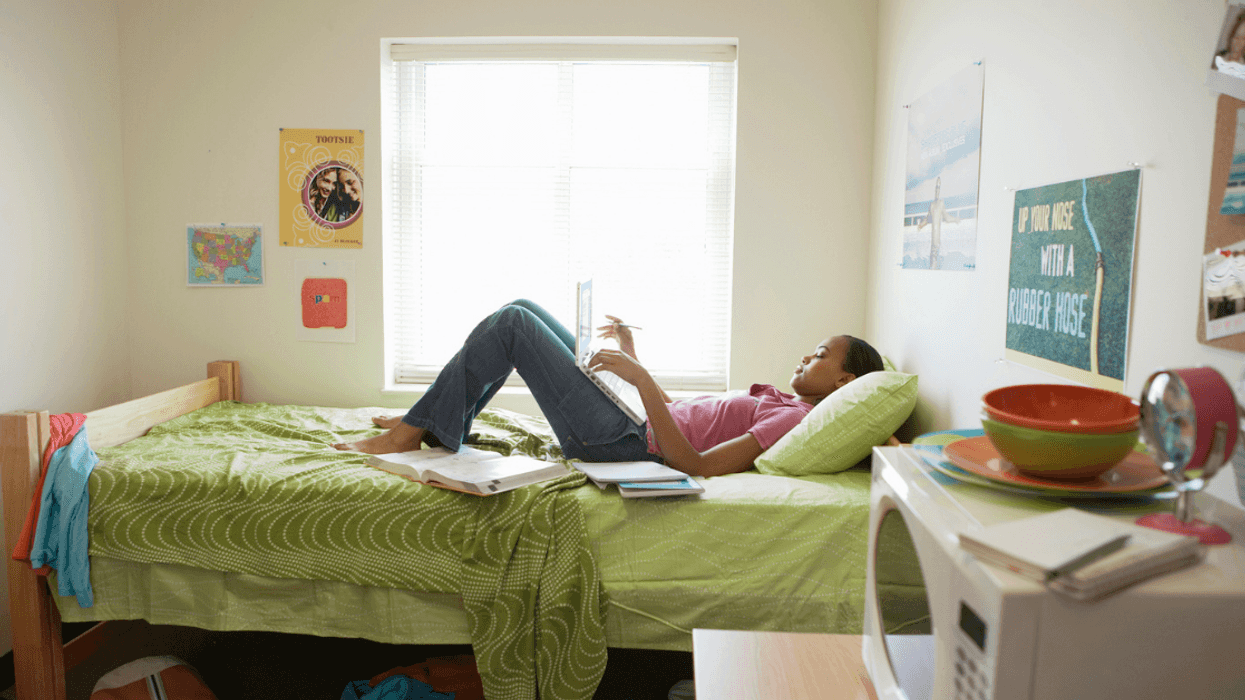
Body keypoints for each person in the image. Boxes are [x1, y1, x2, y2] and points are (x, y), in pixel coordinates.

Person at [333, 300, 884, 477]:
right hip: (633, 422)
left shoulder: (793, 418)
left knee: (511, 326)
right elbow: (685, 415)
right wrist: (634, 360)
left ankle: (415, 431)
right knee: (525, 308)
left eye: (820, 354)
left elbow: (696, 463)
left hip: (623, 443)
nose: (806, 356)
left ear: (844, 381)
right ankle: (438, 422)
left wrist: (637, 381)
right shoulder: (782, 401)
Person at [917, 176, 959, 270]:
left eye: (938, 188)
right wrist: (921, 225)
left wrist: (955, 219)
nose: (937, 191)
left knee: (937, 262)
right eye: (936, 188)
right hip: (933, 242)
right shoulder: (932, 205)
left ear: (940, 191)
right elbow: (928, 219)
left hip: (938, 241)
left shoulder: (941, 204)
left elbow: (947, 217)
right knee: (932, 262)